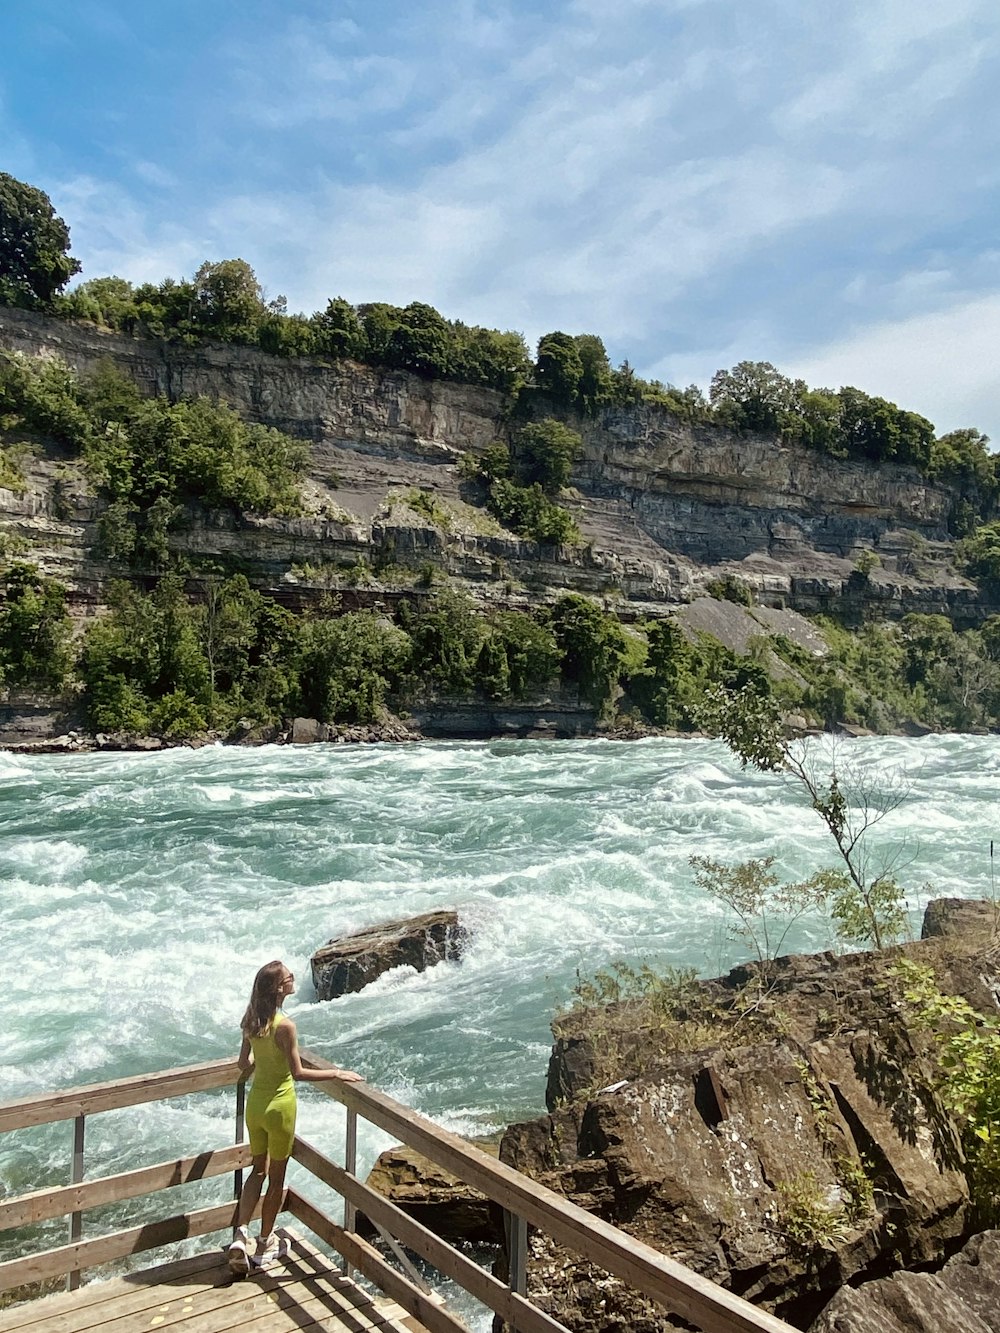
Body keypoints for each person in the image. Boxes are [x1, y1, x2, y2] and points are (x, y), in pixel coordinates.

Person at [227, 959, 361, 1274]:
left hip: (255, 1106)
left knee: (256, 1172)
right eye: (288, 977)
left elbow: (242, 1064)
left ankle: (240, 1233)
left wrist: (261, 1064)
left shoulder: (251, 1021)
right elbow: (297, 1073)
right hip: (280, 1107)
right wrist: (337, 1073)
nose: (293, 980)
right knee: (276, 1180)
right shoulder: (285, 1025)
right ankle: (263, 1244)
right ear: (278, 989)